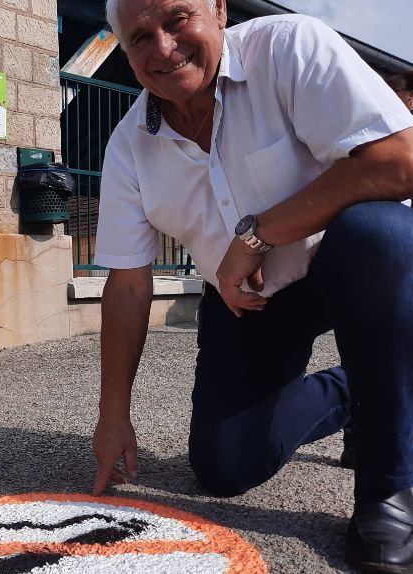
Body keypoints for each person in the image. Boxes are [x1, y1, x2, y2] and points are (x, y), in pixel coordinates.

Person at [90, 0, 413, 572]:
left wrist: (259, 234)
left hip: (353, 263)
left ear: (218, 9)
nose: (163, 49)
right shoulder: (127, 147)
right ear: (123, 49)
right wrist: (113, 413)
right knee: (223, 465)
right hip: (251, 302)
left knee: (382, 235)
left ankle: (390, 491)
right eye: (140, 37)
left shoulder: (290, 48)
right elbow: (130, 284)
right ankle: (354, 392)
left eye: (176, 19)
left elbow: (399, 161)